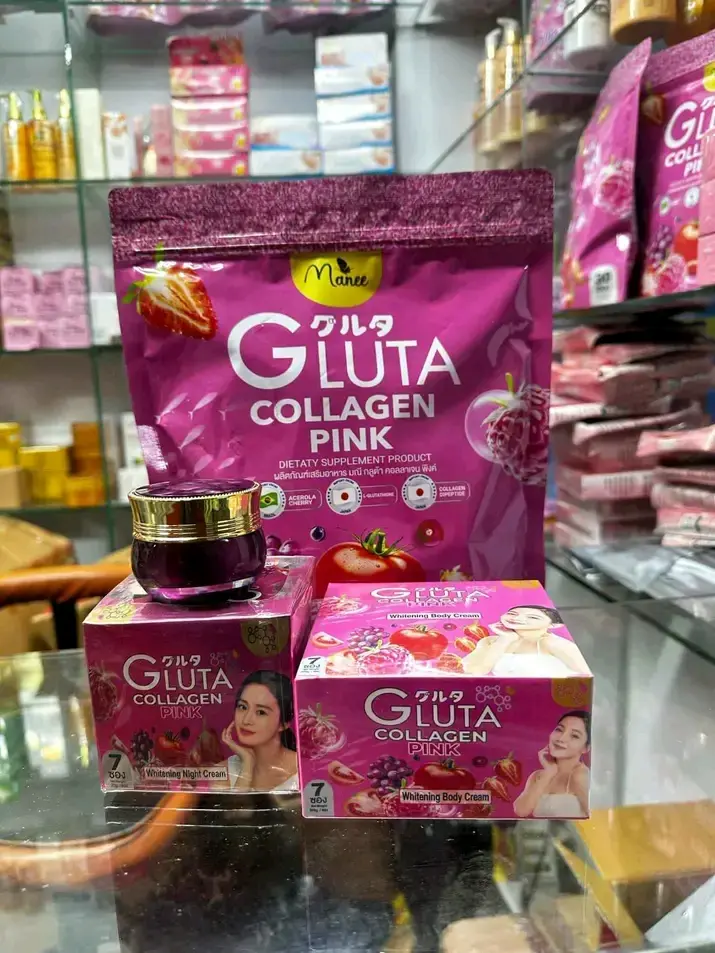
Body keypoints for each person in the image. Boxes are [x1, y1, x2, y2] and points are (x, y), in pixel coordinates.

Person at [219, 670, 298, 792]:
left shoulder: (303, 768)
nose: (246, 720)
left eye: (261, 712)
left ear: (284, 723)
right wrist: (247, 765)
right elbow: (235, 806)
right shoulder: (224, 770)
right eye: (242, 707)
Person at [462, 605, 589, 677]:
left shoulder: (553, 643)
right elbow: (475, 671)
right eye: (512, 613)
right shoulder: (491, 641)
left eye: (533, 617)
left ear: (554, 625)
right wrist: (506, 639)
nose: (517, 618)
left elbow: (584, 677)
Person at [513, 711, 590, 818]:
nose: (561, 738)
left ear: (586, 748)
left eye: (574, 736)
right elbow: (521, 811)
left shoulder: (581, 776)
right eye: (559, 729)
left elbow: (598, 819)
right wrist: (549, 772)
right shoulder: (538, 775)